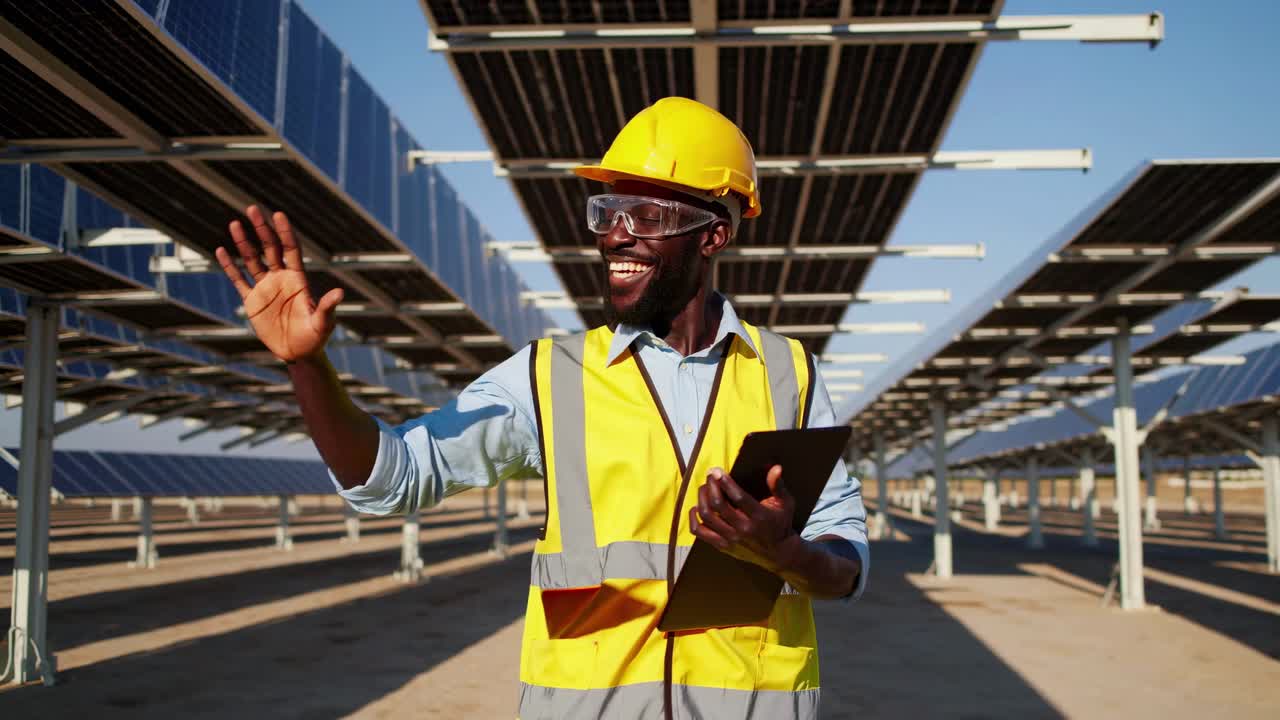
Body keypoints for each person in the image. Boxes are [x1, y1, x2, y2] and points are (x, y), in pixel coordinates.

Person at [216, 96, 868, 720]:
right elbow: (390, 480)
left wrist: (785, 554)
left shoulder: (788, 376)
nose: (616, 236)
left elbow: (845, 566)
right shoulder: (549, 378)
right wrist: (307, 366)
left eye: (646, 217)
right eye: (607, 212)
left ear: (713, 235)